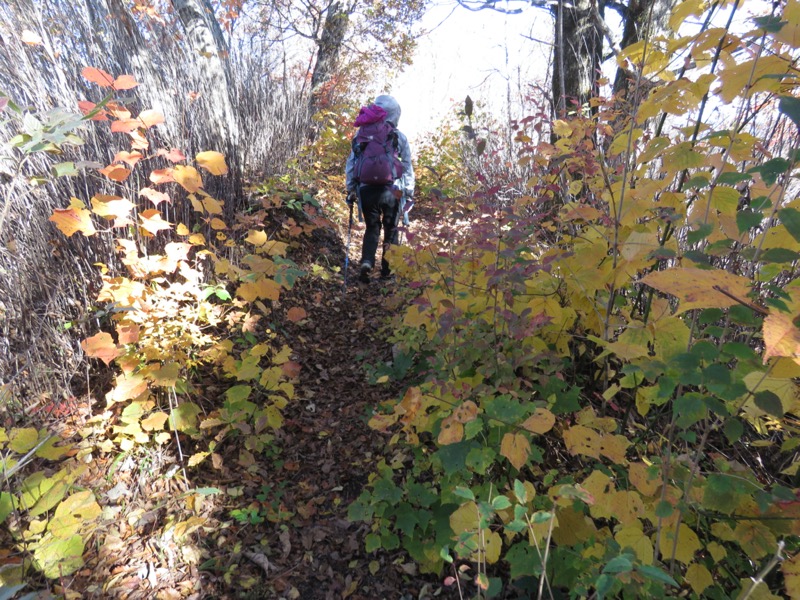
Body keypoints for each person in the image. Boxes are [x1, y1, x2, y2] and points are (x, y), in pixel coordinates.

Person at [345, 94, 415, 283]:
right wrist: (409, 193)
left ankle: (367, 262)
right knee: (391, 229)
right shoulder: (398, 136)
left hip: (367, 190)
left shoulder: (361, 135)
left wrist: (351, 188)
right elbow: (407, 166)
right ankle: (388, 271)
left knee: (372, 227)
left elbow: (352, 164)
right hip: (393, 190)